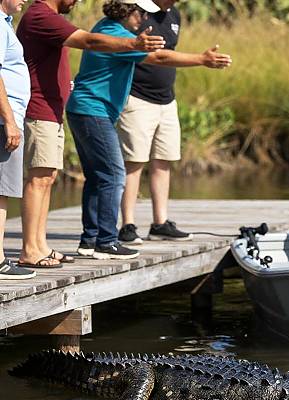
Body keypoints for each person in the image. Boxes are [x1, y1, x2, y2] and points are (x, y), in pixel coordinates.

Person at [65, 0, 231, 260]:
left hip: (85, 110)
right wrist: (201, 59)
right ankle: (106, 241)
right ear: (126, 10)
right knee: (114, 173)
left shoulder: (107, 27)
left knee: (98, 177)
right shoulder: (118, 35)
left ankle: (90, 240)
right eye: (140, 12)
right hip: (92, 110)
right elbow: (160, 58)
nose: (144, 18)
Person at [16, 0, 165, 269]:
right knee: (39, 179)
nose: (77, 1)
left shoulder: (49, 16)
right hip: (40, 106)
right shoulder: (40, 15)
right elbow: (88, 41)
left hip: (52, 109)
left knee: (47, 177)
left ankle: (40, 245)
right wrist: (133, 44)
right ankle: (30, 250)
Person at [117, 0, 196, 244]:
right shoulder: (137, 12)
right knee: (134, 162)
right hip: (137, 97)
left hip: (167, 100)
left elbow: (170, 53)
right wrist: (201, 59)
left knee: (164, 160)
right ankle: (127, 225)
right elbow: (134, 53)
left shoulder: (175, 15)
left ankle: (160, 223)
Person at [0, 0, 35, 279]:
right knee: (1, 190)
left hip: (8, 116)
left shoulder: (6, 24)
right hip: (3, 119)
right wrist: (10, 120)